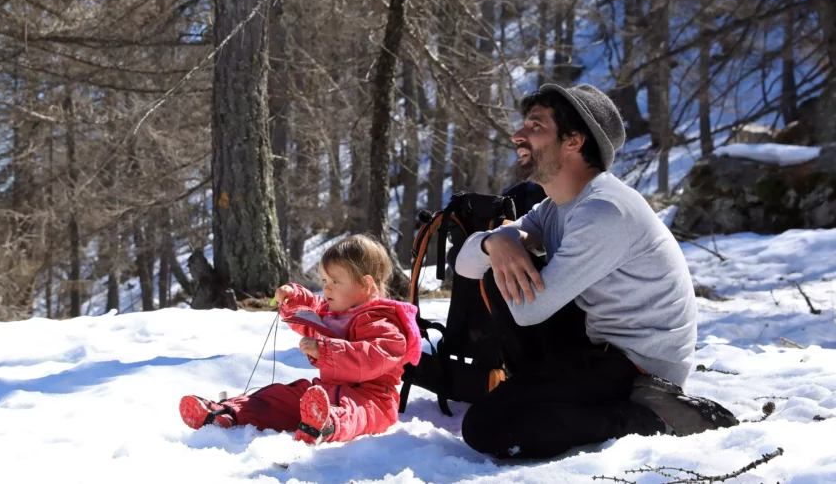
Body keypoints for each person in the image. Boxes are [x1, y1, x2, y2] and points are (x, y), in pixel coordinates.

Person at [456, 83, 737, 459]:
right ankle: (541, 395)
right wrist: (497, 242)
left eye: (536, 126)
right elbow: (465, 267)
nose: (518, 135)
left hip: (642, 367)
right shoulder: (556, 207)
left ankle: (652, 417)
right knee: (499, 270)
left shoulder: (604, 210)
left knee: (485, 427)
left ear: (574, 141)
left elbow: (530, 310)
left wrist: (505, 241)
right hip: (599, 347)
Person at [179, 234, 422, 445]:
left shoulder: (383, 323)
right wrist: (293, 297)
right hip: (325, 392)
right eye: (324, 281)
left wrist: (326, 351)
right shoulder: (332, 312)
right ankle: (228, 413)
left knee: (353, 412)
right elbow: (312, 309)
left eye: (335, 282)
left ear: (365, 285)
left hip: (372, 400)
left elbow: (371, 358)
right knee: (281, 396)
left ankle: (325, 423)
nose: (326, 289)